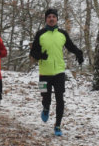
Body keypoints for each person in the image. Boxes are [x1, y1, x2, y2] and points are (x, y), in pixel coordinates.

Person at [29, 8, 83, 137]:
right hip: (44, 73)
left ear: (57, 19)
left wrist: (79, 53)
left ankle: (58, 125)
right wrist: (41, 55)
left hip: (59, 72)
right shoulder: (40, 34)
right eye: (49, 17)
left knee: (60, 99)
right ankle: (46, 107)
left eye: (54, 17)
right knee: (45, 97)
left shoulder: (62, 33)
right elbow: (33, 52)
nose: (51, 19)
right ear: (46, 19)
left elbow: (70, 46)